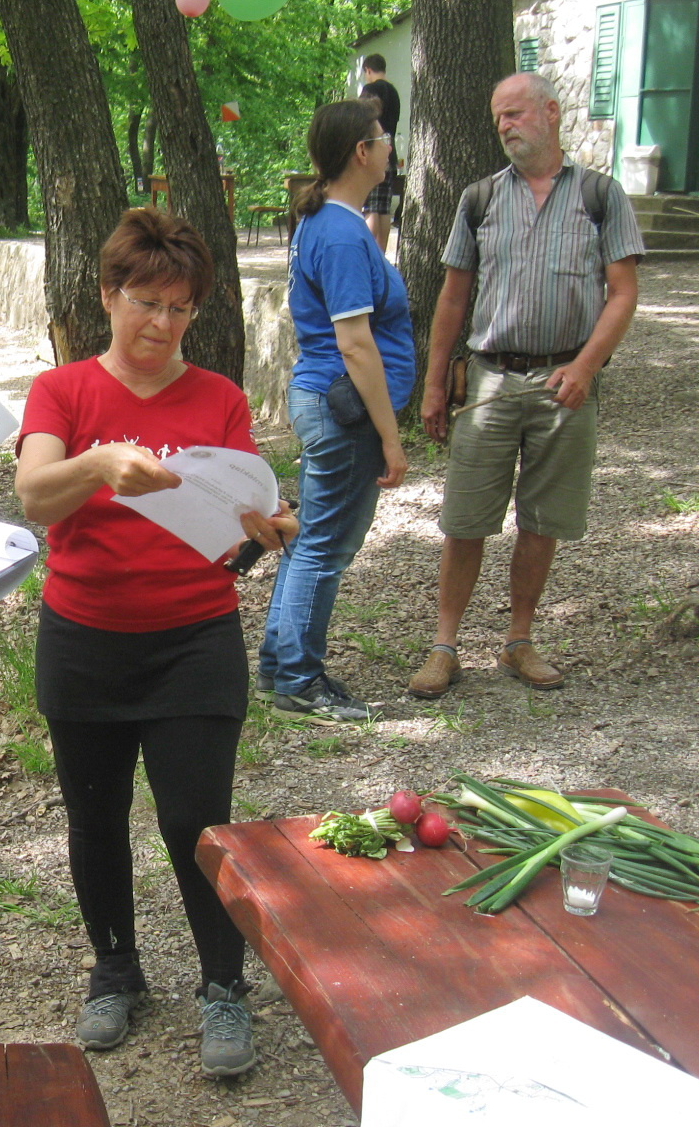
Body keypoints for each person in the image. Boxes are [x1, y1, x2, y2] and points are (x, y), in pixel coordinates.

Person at [15, 208, 297, 1077]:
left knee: (194, 823)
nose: (161, 325)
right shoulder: (62, 392)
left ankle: (223, 987)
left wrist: (265, 530)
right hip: (86, 641)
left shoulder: (218, 398)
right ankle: (115, 970)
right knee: (94, 820)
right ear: (107, 295)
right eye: (145, 302)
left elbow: (240, 517)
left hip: (193, 643)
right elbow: (33, 494)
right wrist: (101, 463)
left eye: (180, 309)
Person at [410, 73, 643, 699]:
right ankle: (444, 646)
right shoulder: (480, 198)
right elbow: (453, 297)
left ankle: (519, 641)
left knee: (542, 519)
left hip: (567, 382)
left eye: (515, 114)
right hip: (490, 378)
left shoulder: (601, 195)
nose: (506, 126)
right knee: (465, 519)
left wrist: (588, 367)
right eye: (498, 119)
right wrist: (435, 385)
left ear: (551, 112)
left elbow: (623, 293)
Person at [258, 99, 415, 722]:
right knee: (324, 545)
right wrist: (391, 437)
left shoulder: (323, 221)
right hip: (342, 409)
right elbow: (354, 341)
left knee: (312, 540)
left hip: (323, 402)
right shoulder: (345, 232)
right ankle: (299, 677)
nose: (388, 148)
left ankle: (280, 666)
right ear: (360, 152)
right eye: (381, 139)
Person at [358, 54, 401, 254]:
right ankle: (380, 255)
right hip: (389, 152)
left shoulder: (370, 91)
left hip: (372, 151)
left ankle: (363, 252)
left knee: (372, 207)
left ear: (368, 70)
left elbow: (360, 121)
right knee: (383, 207)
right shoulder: (394, 92)